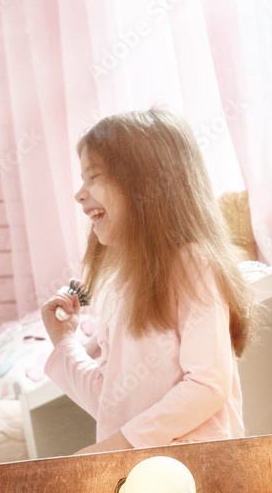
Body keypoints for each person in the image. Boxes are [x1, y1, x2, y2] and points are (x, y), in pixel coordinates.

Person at [40, 108, 255, 454]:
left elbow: (207, 385)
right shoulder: (120, 289)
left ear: (142, 184)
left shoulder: (192, 264)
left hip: (200, 461)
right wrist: (65, 342)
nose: (80, 194)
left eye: (93, 177)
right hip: (144, 471)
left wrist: (116, 448)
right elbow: (113, 403)